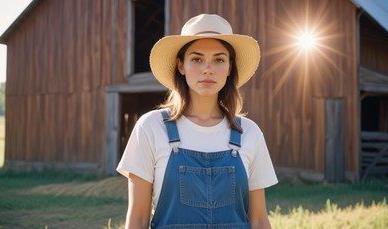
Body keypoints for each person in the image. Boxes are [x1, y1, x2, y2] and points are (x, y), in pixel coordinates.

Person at [117, 14, 278, 229]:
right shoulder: (151, 127)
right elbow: (137, 219)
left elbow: (258, 219)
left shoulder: (249, 132)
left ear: (230, 68)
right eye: (196, 59)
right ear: (181, 66)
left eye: (219, 59)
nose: (207, 69)